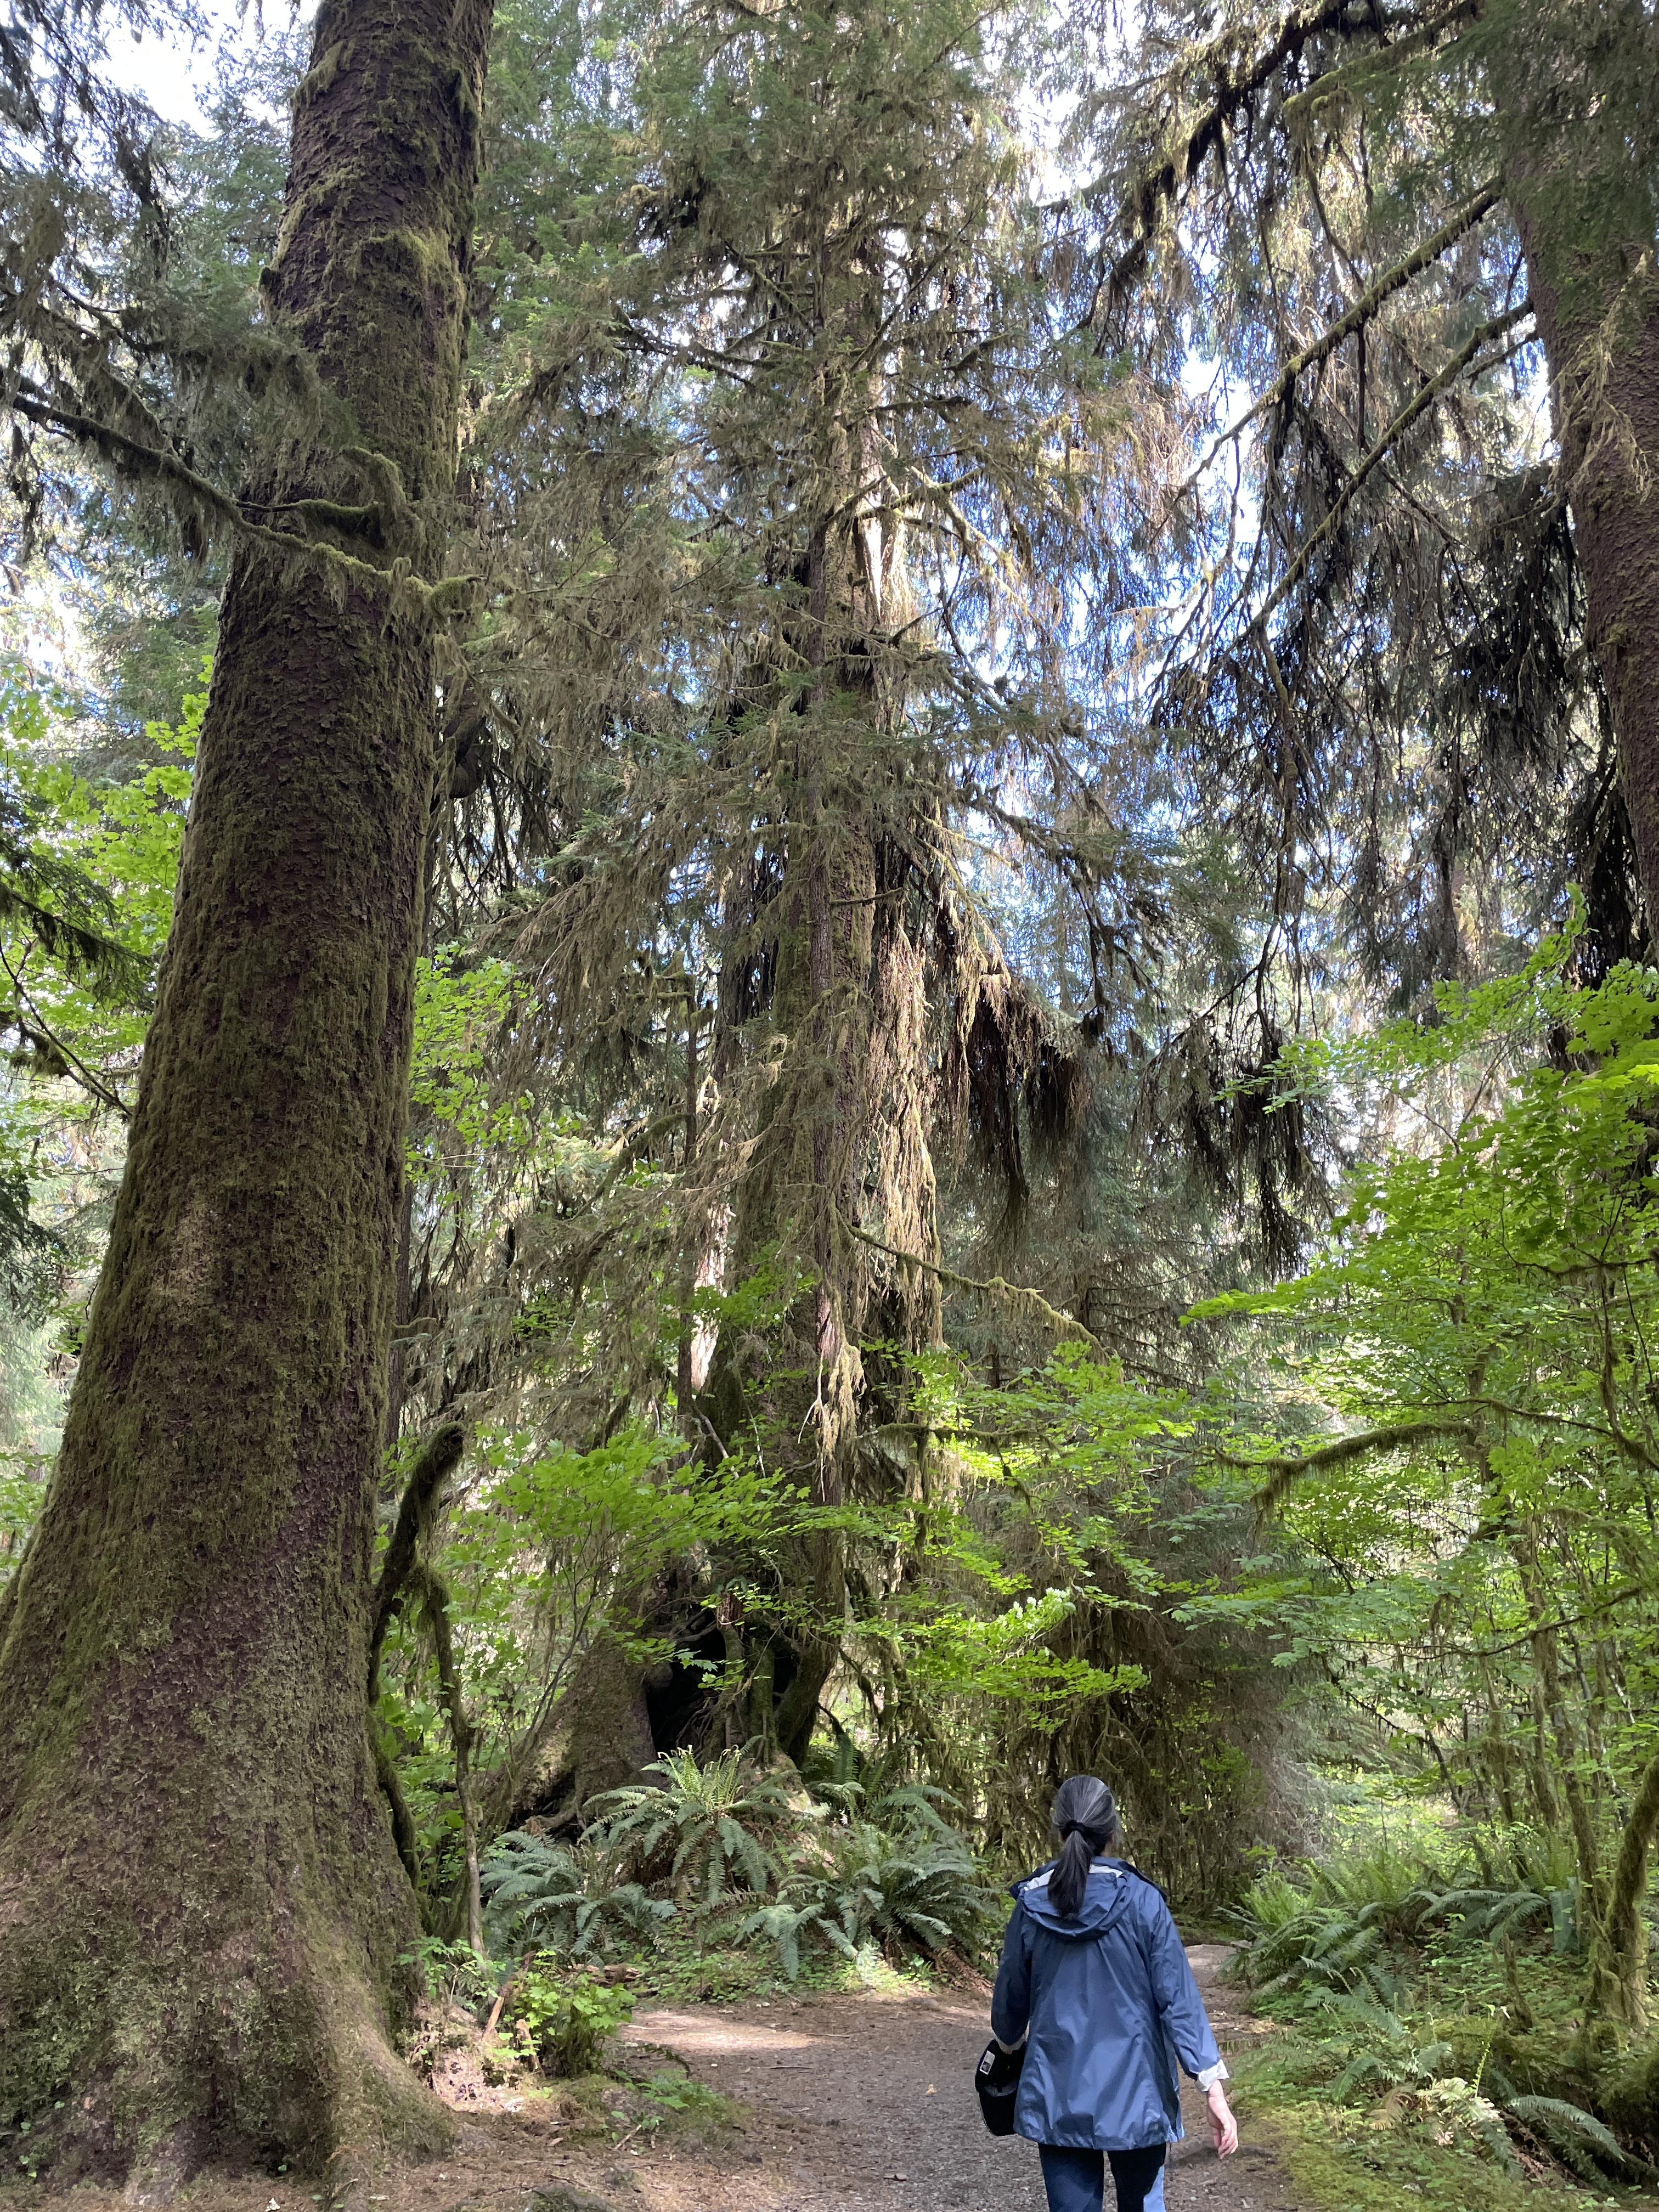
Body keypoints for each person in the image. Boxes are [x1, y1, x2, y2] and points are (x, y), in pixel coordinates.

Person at [990, 1775, 1239, 2212]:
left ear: (1060, 1829)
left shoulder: (1030, 1906)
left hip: (1058, 2091)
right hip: (1137, 2095)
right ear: (1112, 1831)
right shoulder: (1144, 1902)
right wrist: (1212, 2090)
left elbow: (1011, 2002)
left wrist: (1009, 2046)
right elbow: (1178, 2001)